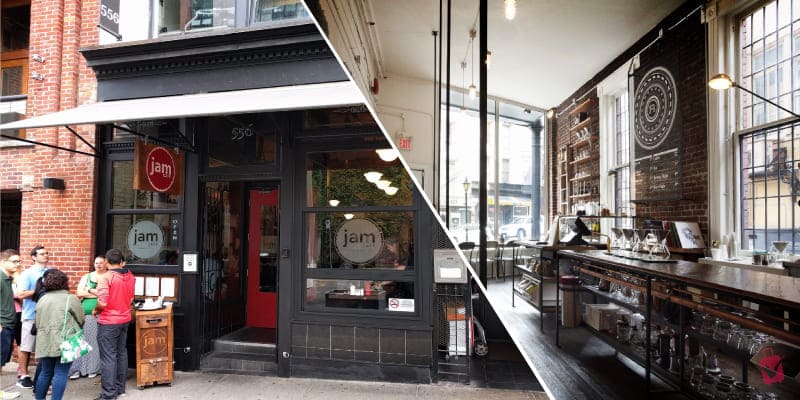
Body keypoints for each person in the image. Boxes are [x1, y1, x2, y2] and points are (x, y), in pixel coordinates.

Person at [33, 269, 84, 400]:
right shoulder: (70, 298)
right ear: (64, 282)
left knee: (45, 372)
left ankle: (39, 398)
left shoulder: (42, 299)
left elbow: (37, 322)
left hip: (44, 340)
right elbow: (80, 318)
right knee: (61, 373)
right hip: (65, 339)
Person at [93, 249, 135, 400]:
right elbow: (130, 299)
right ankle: (119, 388)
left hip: (109, 322)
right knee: (121, 354)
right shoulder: (130, 275)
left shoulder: (107, 277)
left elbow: (102, 302)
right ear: (121, 261)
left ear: (106, 262)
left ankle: (109, 394)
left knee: (108, 357)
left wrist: (95, 310)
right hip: (125, 319)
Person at [15, 245, 51, 389]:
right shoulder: (27, 274)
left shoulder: (51, 272)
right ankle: (24, 376)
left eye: (47, 253)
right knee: (26, 346)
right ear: (34, 257)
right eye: (42, 253)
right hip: (31, 315)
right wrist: (39, 289)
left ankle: (44, 377)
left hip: (49, 316)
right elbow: (21, 294)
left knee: (46, 348)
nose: (46, 255)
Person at [68, 255, 106, 380]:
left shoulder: (108, 276)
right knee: (82, 341)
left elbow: (107, 295)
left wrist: (89, 290)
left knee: (95, 342)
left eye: (101, 263)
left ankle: (92, 368)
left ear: (105, 264)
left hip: (103, 314)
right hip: (87, 313)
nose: (98, 265)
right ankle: (78, 369)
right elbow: (79, 293)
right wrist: (96, 293)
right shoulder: (87, 276)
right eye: (96, 263)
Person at [0, 250, 22, 399]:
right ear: (3, 261)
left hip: (8, 324)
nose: (18, 264)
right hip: (3, 325)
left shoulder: (8, 278)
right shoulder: (1, 279)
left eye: (19, 261)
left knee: (1, 361)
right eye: (14, 261)